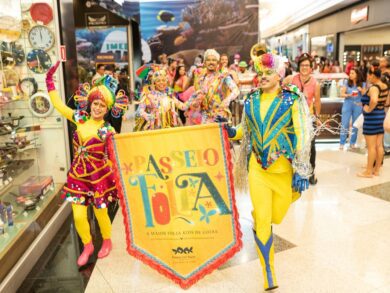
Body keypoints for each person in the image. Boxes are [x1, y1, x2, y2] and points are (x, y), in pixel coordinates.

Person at [218, 52, 313, 291]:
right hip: (257, 169)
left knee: (277, 216)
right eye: (259, 73)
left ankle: (264, 217)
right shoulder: (251, 100)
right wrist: (231, 132)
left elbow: (302, 133)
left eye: (267, 73)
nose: (262, 77)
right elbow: (245, 129)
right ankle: (268, 272)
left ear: (279, 75)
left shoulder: (292, 99)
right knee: (263, 220)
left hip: (283, 171)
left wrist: (302, 169)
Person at [45, 61, 128, 266]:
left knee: (101, 213)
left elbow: (117, 155)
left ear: (107, 108)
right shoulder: (80, 118)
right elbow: (59, 106)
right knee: (79, 215)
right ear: (90, 104)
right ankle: (88, 245)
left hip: (99, 177)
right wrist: (49, 82)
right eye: (95, 103)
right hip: (78, 178)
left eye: (102, 105)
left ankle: (107, 241)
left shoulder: (108, 130)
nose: (98, 108)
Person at [283, 53, 321, 185]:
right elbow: (281, 92)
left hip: (308, 119)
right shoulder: (290, 79)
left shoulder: (315, 83)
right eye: (302, 65)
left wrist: (317, 118)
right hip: (291, 119)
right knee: (292, 145)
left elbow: (317, 102)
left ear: (311, 68)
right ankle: (293, 172)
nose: (304, 67)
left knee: (311, 146)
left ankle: (311, 172)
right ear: (298, 67)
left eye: (307, 65)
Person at [193, 49, 239, 124]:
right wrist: (196, 102)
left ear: (217, 62)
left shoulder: (223, 76)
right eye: (208, 60)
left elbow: (236, 90)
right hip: (205, 117)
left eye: (214, 60)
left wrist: (226, 101)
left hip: (219, 116)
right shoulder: (201, 78)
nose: (211, 62)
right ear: (204, 63)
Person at [358, 67, 388, 177]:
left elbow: (374, 100)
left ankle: (368, 172)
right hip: (381, 116)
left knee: (371, 147)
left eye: (368, 75)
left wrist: (369, 109)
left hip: (372, 118)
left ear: (373, 76)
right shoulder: (385, 86)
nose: (367, 78)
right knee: (379, 146)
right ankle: (376, 170)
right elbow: (386, 101)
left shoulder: (374, 88)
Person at [339, 68, 365, 149]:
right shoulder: (346, 82)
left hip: (358, 105)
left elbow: (365, 95)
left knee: (355, 124)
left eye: (352, 73)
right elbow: (342, 94)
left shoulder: (362, 84)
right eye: (350, 73)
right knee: (344, 123)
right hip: (347, 104)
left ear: (357, 74)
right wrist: (349, 95)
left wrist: (361, 90)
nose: (350, 75)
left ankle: (352, 143)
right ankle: (342, 143)